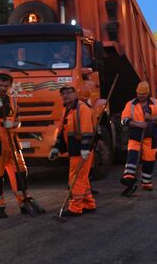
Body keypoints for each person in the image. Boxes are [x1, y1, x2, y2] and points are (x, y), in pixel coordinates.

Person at [0, 70, 32, 219]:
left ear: (10, 85)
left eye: (6, 86)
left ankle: (23, 203)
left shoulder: (13, 101)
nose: (3, 88)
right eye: (1, 85)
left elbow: (19, 121)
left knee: (21, 172)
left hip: (12, 144)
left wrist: (13, 124)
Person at [48, 86, 96, 217]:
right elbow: (62, 132)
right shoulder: (67, 110)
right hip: (75, 150)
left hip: (81, 151)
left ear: (76, 94)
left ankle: (75, 207)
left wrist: (85, 149)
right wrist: (57, 148)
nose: (66, 95)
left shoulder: (82, 108)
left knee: (75, 179)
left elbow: (87, 131)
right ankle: (89, 203)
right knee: (82, 178)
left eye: (69, 92)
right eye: (63, 93)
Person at [120, 81, 157, 194]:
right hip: (135, 136)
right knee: (132, 157)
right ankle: (129, 180)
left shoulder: (155, 103)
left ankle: (146, 182)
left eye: (143, 94)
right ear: (136, 92)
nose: (141, 96)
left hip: (151, 137)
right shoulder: (130, 104)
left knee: (149, 160)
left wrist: (150, 117)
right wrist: (138, 124)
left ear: (148, 93)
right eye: (139, 93)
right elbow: (124, 119)